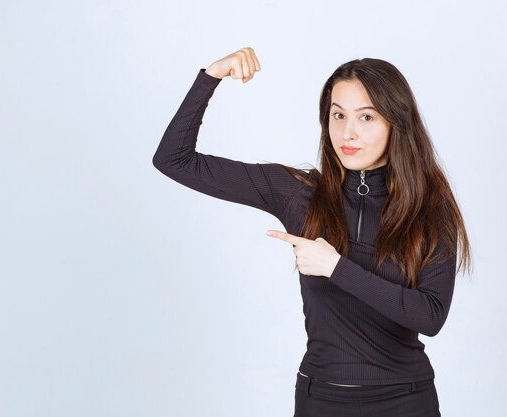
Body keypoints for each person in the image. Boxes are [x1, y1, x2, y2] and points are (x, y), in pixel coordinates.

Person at [152, 47, 472, 417]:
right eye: (338, 115)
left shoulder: (429, 206)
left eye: (366, 117)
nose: (348, 132)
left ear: (395, 124)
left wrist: (336, 267)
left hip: (406, 401)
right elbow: (173, 160)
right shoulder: (298, 194)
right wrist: (210, 77)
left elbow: (430, 317)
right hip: (322, 400)